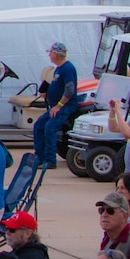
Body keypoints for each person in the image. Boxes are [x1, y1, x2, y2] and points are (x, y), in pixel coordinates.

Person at [31, 42, 78, 171]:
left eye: (50, 52)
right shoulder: (58, 68)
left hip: (65, 106)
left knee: (50, 128)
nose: (49, 55)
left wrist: (59, 106)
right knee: (39, 125)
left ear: (56, 54)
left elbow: (69, 90)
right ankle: (39, 157)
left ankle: (50, 160)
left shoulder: (67, 68)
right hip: (56, 105)